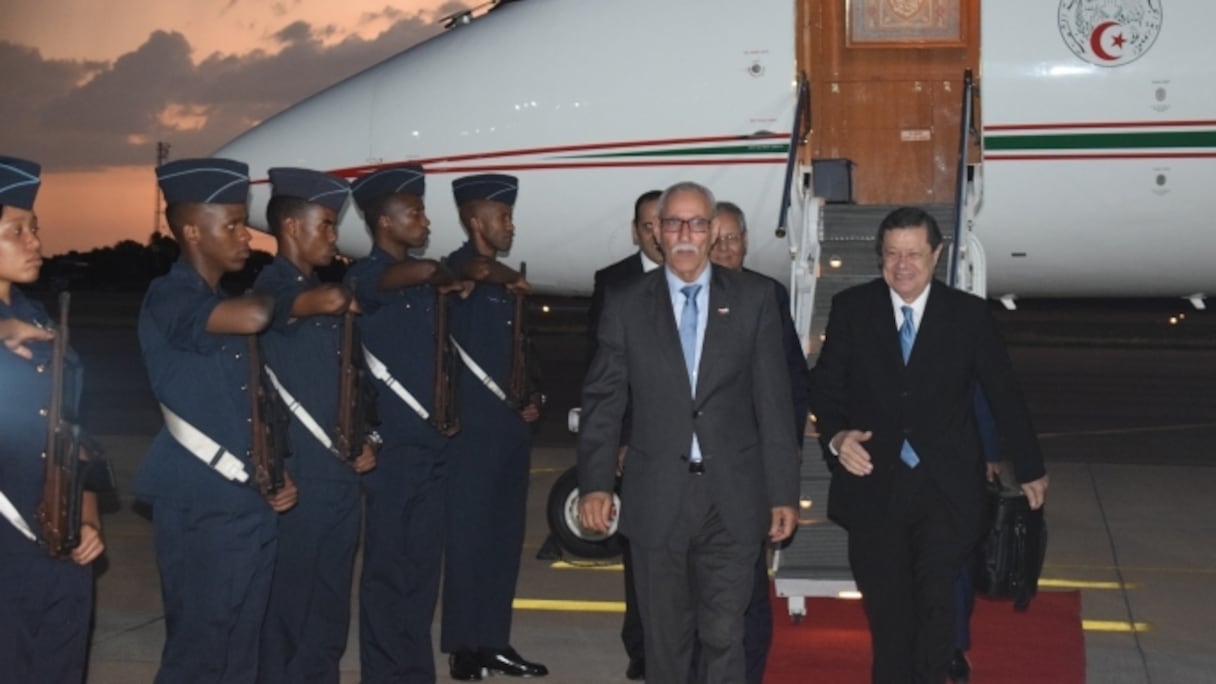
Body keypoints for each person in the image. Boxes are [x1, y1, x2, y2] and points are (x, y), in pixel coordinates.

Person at [808, 206, 1049, 683]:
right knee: (890, 621)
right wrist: (836, 437)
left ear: (936, 255)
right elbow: (826, 389)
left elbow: (1003, 392)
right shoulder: (853, 309)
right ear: (880, 257)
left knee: (937, 616)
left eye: (914, 254)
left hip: (946, 493)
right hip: (875, 491)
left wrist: (1030, 466)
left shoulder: (968, 316)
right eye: (892, 254)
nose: (903, 265)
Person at [578, 181, 800, 684]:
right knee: (666, 645)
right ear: (655, 231)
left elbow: (774, 403)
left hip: (734, 499)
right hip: (657, 498)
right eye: (673, 222)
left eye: (697, 223)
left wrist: (783, 491)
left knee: (725, 635)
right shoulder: (626, 303)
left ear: (711, 230)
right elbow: (603, 399)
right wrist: (595, 482)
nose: (685, 233)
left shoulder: (756, 299)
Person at [135, 157, 299, 684]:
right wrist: (294, 288)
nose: (245, 236)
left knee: (239, 651)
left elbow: (249, 404)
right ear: (190, 232)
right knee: (199, 654)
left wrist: (275, 469)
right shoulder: (170, 295)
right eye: (230, 225)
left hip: (246, 498)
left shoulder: (219, 300)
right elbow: (255, 316)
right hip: (199, 503)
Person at [344, 164, 469, 683]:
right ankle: (383, 674)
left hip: (432, 446)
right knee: (386, 574)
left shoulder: (417, 284)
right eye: (413, 212)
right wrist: (439, 273)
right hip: (392, 448)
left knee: (421, 575)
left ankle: (415, 674)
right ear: (383, 222)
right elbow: (411, 273)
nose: (425, 221)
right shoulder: (365, 276)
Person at [254, 167, 376, 684]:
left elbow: (352, 378)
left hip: (341, 474)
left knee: (328, 611)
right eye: (326, 224)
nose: (333, 235)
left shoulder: (318, 287)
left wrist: (370, 437)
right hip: (299, 473)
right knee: (288, 610)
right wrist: (341, 295)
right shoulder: (271, 287)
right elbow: (290, 309)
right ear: (290, 228)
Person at [0, 155, 106, 683]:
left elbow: (78, 439)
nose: (34, 242)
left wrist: (87, 518)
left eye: (35, 229)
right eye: (14, 230)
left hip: (59, 544)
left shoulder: (42, 323)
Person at [442, 173, 548, 680]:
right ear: (473, 220)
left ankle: (493, 640)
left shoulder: (503, 281)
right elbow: (478, 268)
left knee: (504, 541)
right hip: (471, 433)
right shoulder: (459, 271)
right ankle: (465, 647)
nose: (510, 225)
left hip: (508, 430)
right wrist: (507, 277)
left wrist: (533, 398)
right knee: (468, 540)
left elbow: (521, 353)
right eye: (501, 216)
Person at [709, 200, 812, 684]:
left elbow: (792, 382)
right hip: (694, 473)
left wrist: (784, 457)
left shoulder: (767, 296)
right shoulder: (679, 298)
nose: (724, 248)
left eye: (733, 238)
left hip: (749, 472)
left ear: (746, 242)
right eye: (716, 239)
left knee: (747, 594)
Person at [586, 188, 662, 681]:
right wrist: (615, 438)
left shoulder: (697, 276)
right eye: (649, 225)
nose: (659, 234)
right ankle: (641, 645)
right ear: (636, 230)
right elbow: (605, 374)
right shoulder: (613, 283)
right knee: (639, 548)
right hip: (633, 441)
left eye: (667, 223)